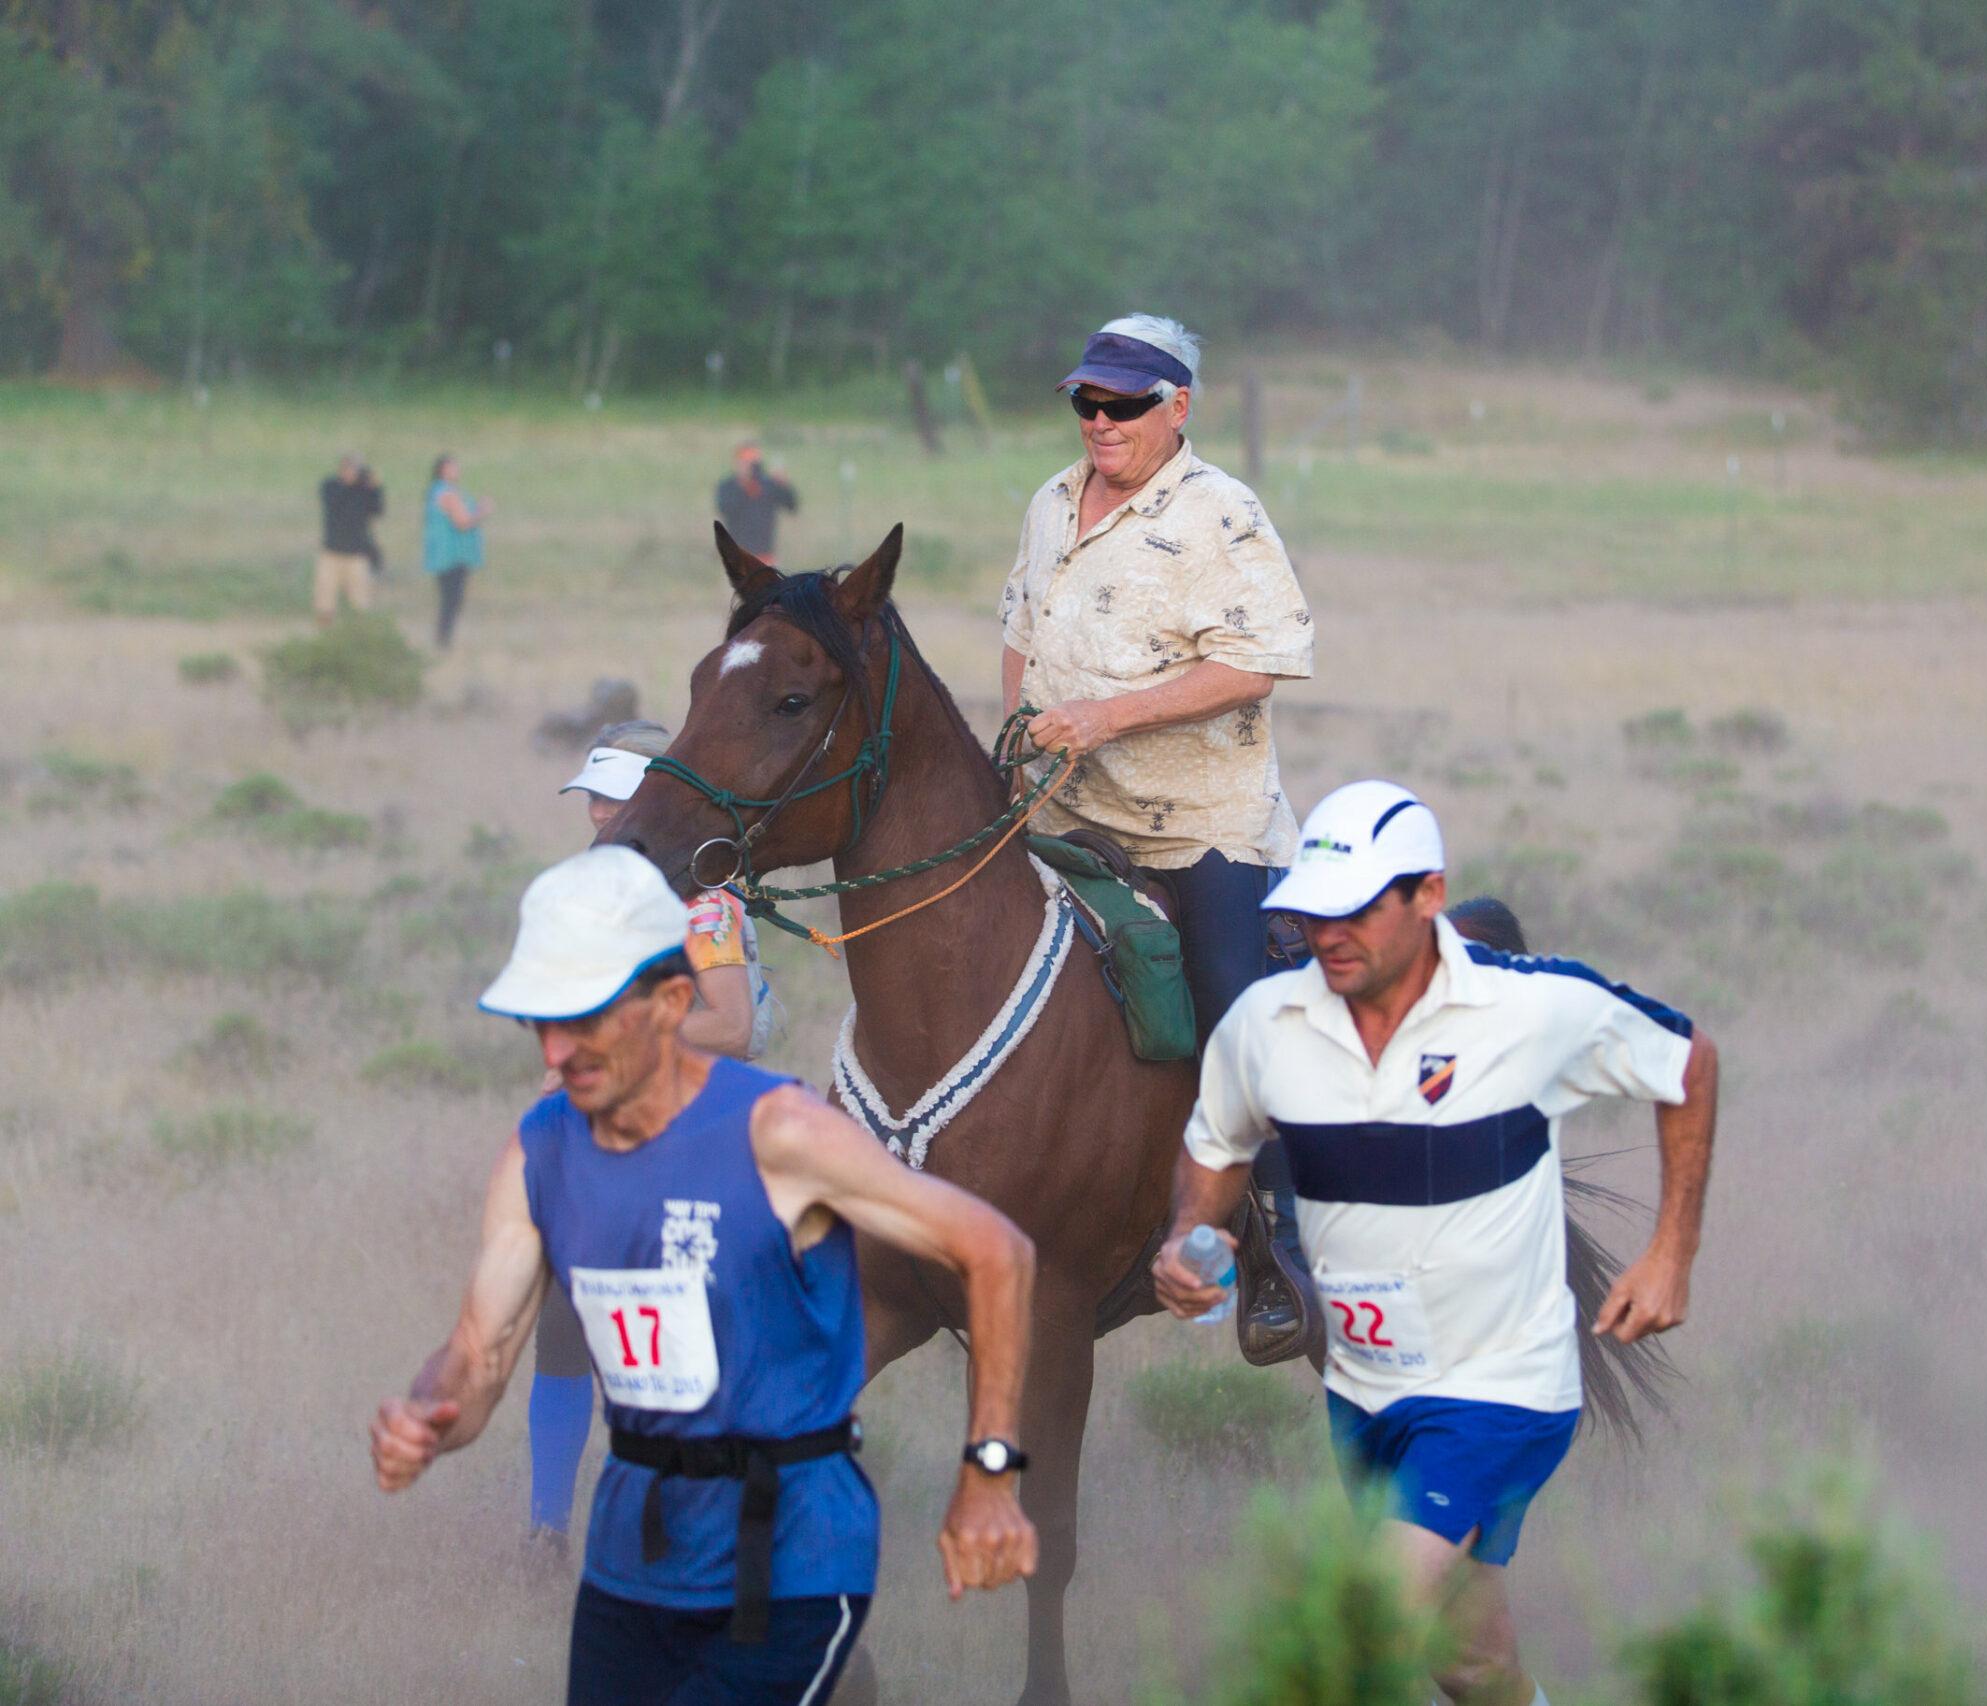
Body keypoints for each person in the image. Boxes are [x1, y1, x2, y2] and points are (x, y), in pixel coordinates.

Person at [371, 846, 1039, 1705]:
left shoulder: (779, 1133)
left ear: (674, 1002)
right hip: (631, 1560)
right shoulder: (541, 1148)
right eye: (540, 1021)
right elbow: (479, 1351)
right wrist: (429, 1413)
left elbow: (997, 1252)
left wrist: (989, 1473)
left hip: (789, 1557)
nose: (556, 1049)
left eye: (585, 1018)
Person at [1150, 780, 1718, 1706]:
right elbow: (1217, 1151)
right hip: (1367, 1382)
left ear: (1428, 898)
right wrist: (1190, 1238)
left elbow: (1687, 1063)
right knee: (1469, 1662)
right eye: (1310, 918)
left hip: (1497, 1383)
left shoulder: (1525, 1006)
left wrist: (1670, 1254)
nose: (1328, 937)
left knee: (1364, 1623)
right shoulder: (1270, 1026)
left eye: (1356, 912)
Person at [1000, 312, 1317, 1353]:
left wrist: (1103, 716)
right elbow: (1020, 634)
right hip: (1064, 809)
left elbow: (1257, 663)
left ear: (1178, 405)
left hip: (1200, 827)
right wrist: (1015, 756)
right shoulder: (1052, 501)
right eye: (1087, 400)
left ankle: (1277, 1248)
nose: (1100, 420)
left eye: (1125, 403)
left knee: (1232, 1007)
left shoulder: (1222, 512)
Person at [519, 721, 792, 1549]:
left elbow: (734, 1026)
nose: (598, 812)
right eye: (593, 796)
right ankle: (545, 1532)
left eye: (613, 794)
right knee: (565, 1326)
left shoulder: (705, 900)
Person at [423, 451, 490, 649]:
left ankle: (443, 639)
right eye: (454, 467)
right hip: (451, 556)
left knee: (450, 600)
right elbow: (462, 521)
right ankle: (443, 641)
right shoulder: (446, 492)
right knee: (452, 600)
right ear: (443, 470)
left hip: (446, 556)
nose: (458, 470)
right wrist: (481, 511)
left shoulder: (438, 490)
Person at [315, 454, 383, 624]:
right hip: (332, 552)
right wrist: (358, 486)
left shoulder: (364, 491)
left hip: (357, 554)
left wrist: (375, 488)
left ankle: (356, 635)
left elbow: (377, 510)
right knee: (325, 602)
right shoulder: (331, 486)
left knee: (360, 602)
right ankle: (325, 634)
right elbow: (337, 503)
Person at [715, 443, 798, 565]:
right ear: (737, 463)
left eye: (754, 464)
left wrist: (784, 485)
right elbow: (725, 509)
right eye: (746, 463)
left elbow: (792, 506)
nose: (751, 468)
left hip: (765, 556)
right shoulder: (728, 486)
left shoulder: (769, 485)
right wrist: (743, 485)